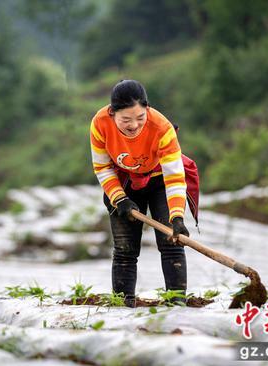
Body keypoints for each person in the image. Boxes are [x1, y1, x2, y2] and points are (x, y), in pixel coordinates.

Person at [89, 79, 195, 307]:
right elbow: (103, 167)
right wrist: (120, 199)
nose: (134, 125)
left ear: (147, 110)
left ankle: (176, 304)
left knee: (172, 242)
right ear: (112, 113)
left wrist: (177, 216)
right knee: (125, 249)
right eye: (126, 119)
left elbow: (175, 176)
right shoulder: (100, 124)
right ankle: (122, 305)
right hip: (124, 181)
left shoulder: (162, 128)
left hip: (159, 182)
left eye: (140, 118)